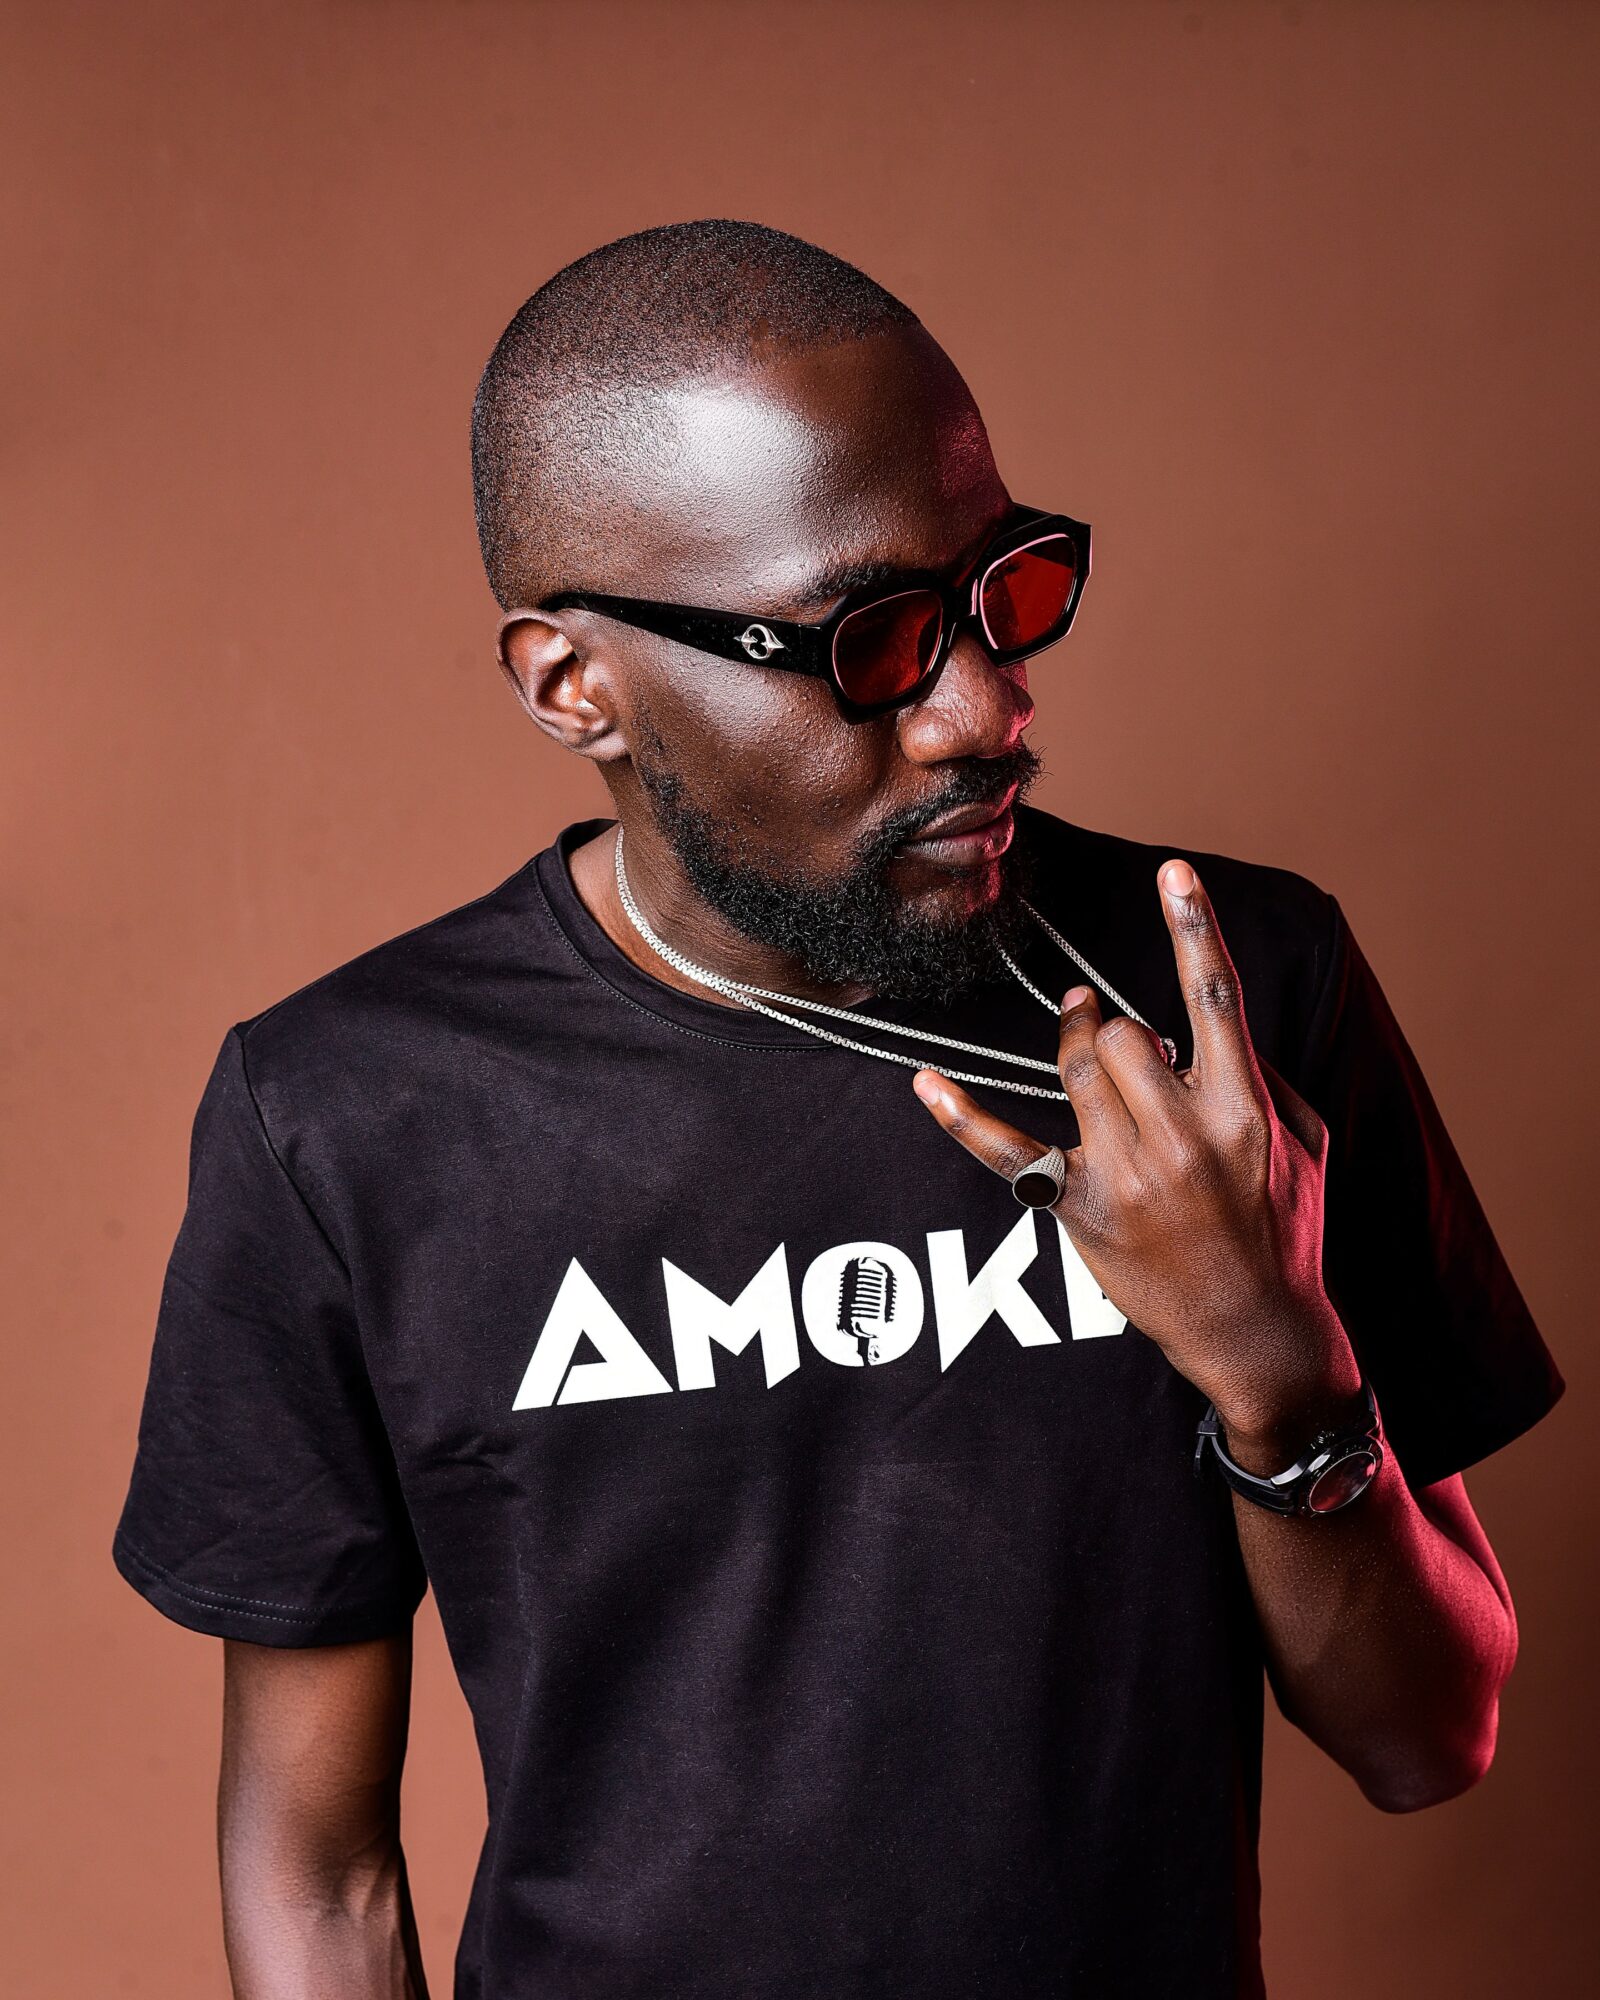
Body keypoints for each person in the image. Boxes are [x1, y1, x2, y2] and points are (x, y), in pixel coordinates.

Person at [113, 221, 1564, 2000]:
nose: (985, 708)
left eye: (1004, 591)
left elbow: (1431, 1738)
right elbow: (317, 1869)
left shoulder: (1234, 999)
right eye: (870, 641)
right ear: (576, 685)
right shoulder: (348, 1115)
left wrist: (1279, 1369)